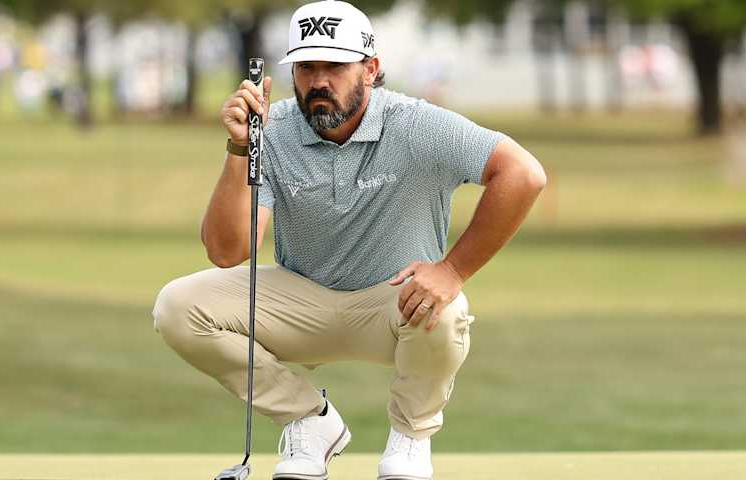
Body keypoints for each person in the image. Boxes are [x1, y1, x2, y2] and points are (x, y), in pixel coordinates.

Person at [152, 1, 546, 479]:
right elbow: (229, 251)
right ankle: (309, 422)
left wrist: (452, 270)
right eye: (306, 67)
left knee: (448, 306)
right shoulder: (271, 131)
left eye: (334, 66)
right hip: (302, 304)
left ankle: (410, 438)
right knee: (177, 306)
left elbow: (523, 174)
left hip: (394, 305)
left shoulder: (415, 124)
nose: (319, 81)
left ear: (371, 69)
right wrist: (240, 148)